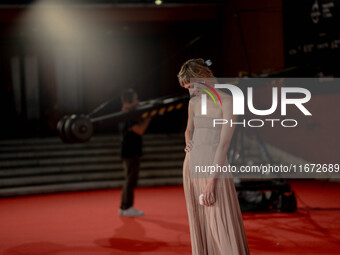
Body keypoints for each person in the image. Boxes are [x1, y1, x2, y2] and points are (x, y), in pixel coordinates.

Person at [178, 59, 250, 254]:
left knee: (222, 224)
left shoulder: (227, 101)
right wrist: (188, 142)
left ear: (203, 77)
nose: (191, 92)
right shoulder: (193, 103)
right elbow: (188, 130)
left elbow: (224, 144)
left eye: (192, 86)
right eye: (187, 89)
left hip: (215, 167)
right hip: (192, 164)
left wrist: (211, 182)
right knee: (200, 222)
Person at [118, 89, 152, 217]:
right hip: (129, 151)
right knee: (131, 179)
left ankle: (124, 206)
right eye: (136, 99)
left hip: (129, 150)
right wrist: (149, 117)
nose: (138, 102)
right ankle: (127, 206)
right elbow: (140, 130)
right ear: (129, 100)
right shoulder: (128, 115)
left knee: (129, 179)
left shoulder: (126, 113)